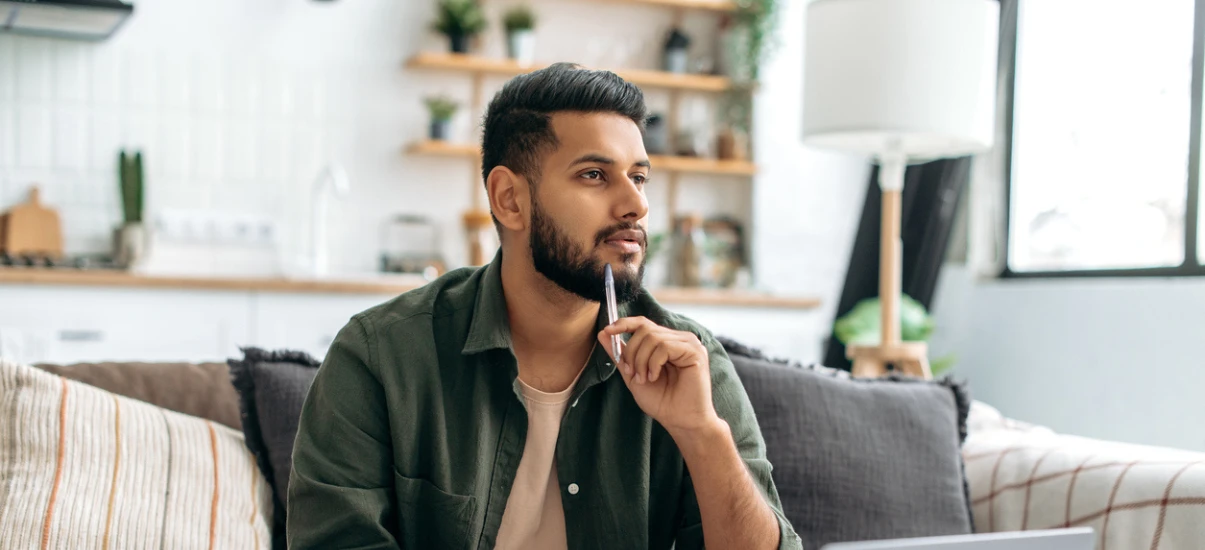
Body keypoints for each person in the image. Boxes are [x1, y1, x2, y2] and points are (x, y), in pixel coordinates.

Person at [287, 62, 802, 550]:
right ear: (509, 199)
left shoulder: (691, 364)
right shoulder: (381, 357)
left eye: (639, 177)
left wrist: (702, 434)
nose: (637, 205)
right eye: (595, 175)